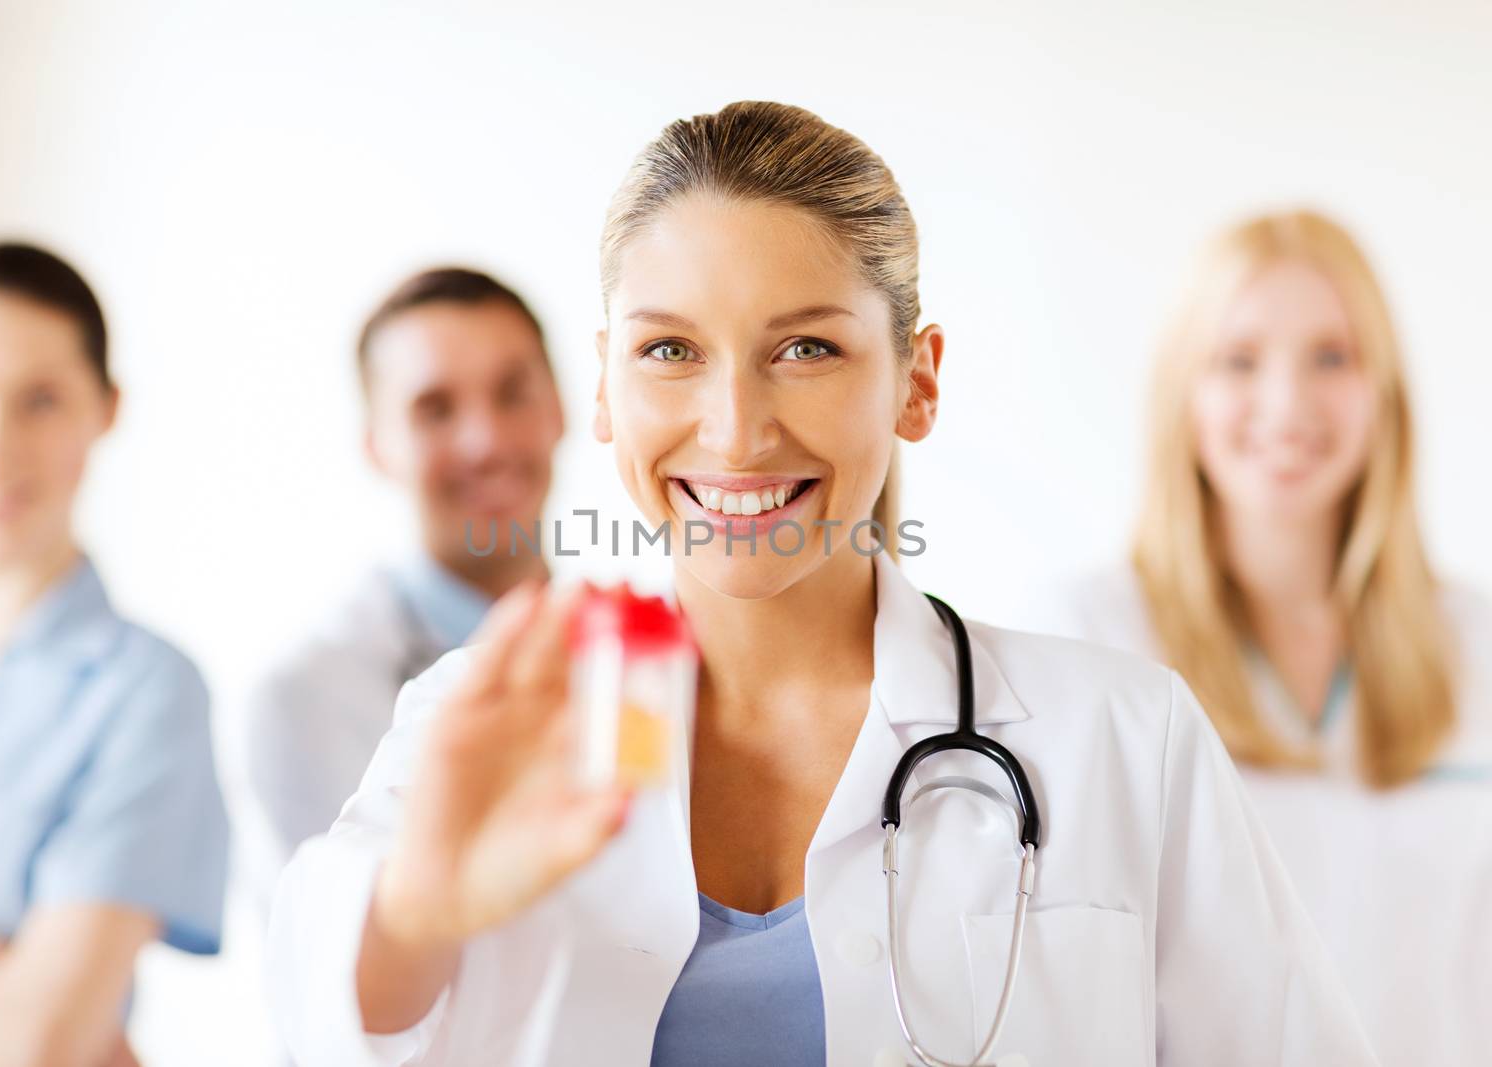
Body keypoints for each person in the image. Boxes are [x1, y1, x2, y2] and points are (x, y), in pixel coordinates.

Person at [266, 104, 1377, 1067]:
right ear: (600, 389)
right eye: (668, 351)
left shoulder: (1125, 740)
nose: (736, 429)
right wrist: (416, 913)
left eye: (805, 349)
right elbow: (323, 1014)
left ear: (917, 379)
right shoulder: (480, 722)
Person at [1034, 210, 1492, 1066]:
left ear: (1383, 389)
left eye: (1331, 356)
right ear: (1184, 394)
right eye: (1238, 360)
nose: (1287, 405)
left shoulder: (1478, 644)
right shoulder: (1089, 636)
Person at [0, 242, 230, 1065]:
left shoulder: (146, 691)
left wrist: (11, 997)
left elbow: (39, 1037)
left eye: (39, 400)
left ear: (106, 409)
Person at [242, 267, 563, 908]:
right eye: (434, 410)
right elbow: (333, 981)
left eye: (512, 392)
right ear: (377, 446)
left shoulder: (642, 656)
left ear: (562, 407)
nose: (486, 441)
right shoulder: (307, 697)